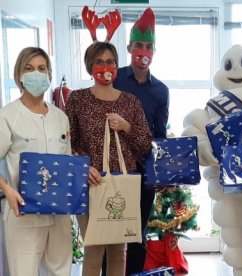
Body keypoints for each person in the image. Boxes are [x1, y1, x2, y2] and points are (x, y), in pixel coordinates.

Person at [65, 41, 152, 276]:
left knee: (117, 253)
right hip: (89, 184)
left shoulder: (130, 102)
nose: (106, 66)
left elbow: (145, 145)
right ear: (89, 66)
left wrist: (127, 127)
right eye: (99, 62)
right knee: (93, 252)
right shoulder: (77, 100)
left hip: (121, 187)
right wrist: (83, 167)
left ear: (117, 65)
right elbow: (66, 142)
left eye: (111, 62)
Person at [0, 47, 72, 275]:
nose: (36, 74)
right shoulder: (8, 115)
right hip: (23, 214)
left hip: (59, 214)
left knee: (60, 271)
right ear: (19, 75)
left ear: (50, 75)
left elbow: (67, 162)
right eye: (29, 69)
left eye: (42, 69)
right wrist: (7, 190)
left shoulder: (60, 118)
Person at [112, 7, 170, 274]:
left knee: (138, 233)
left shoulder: (161, 90)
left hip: (144, 172)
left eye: (148, 46)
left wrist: (164, 172)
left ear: (154, 52)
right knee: (109, 232)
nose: (143, 51)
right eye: (138, 45)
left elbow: (159, 135)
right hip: (112, 168)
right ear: (128, 47)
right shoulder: (114, 80)